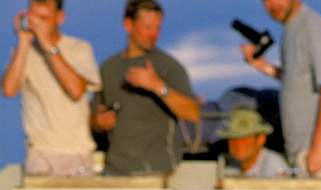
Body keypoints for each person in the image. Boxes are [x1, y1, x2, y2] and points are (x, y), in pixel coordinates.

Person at [241, 0, 321, 178]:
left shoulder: (312, 26)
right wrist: (263, 66)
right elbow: (297, 79)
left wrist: (318, 147)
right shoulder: (292, 29)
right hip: (306, 149)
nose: (273, 5)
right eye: (266, 1)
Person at [91, 0, 200, 176]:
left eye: (158, 28)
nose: (153, 34)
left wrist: (158, 86)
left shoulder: (168, 67)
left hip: (159, 172)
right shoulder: (109, 68)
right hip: (117, 171)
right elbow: (92, 118)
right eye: (148, 27)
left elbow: (192, 113)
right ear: (128, 25)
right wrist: (99, 121)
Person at [1, 0, 101, 177]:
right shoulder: (24, 52)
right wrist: (23, 41)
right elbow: (8, 90)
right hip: (41, 154)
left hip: (78, 152)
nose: (37, 24)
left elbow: (76, 90)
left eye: (44, 18)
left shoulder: (80, 48)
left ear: (60, 18)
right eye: (33, 18)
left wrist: (47, 44)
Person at [216, 107, 289, 179]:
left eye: (244, 138)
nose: (238, 143)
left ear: (260, 139)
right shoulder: (231, 169)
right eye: (233, 138)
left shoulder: (274, 165)